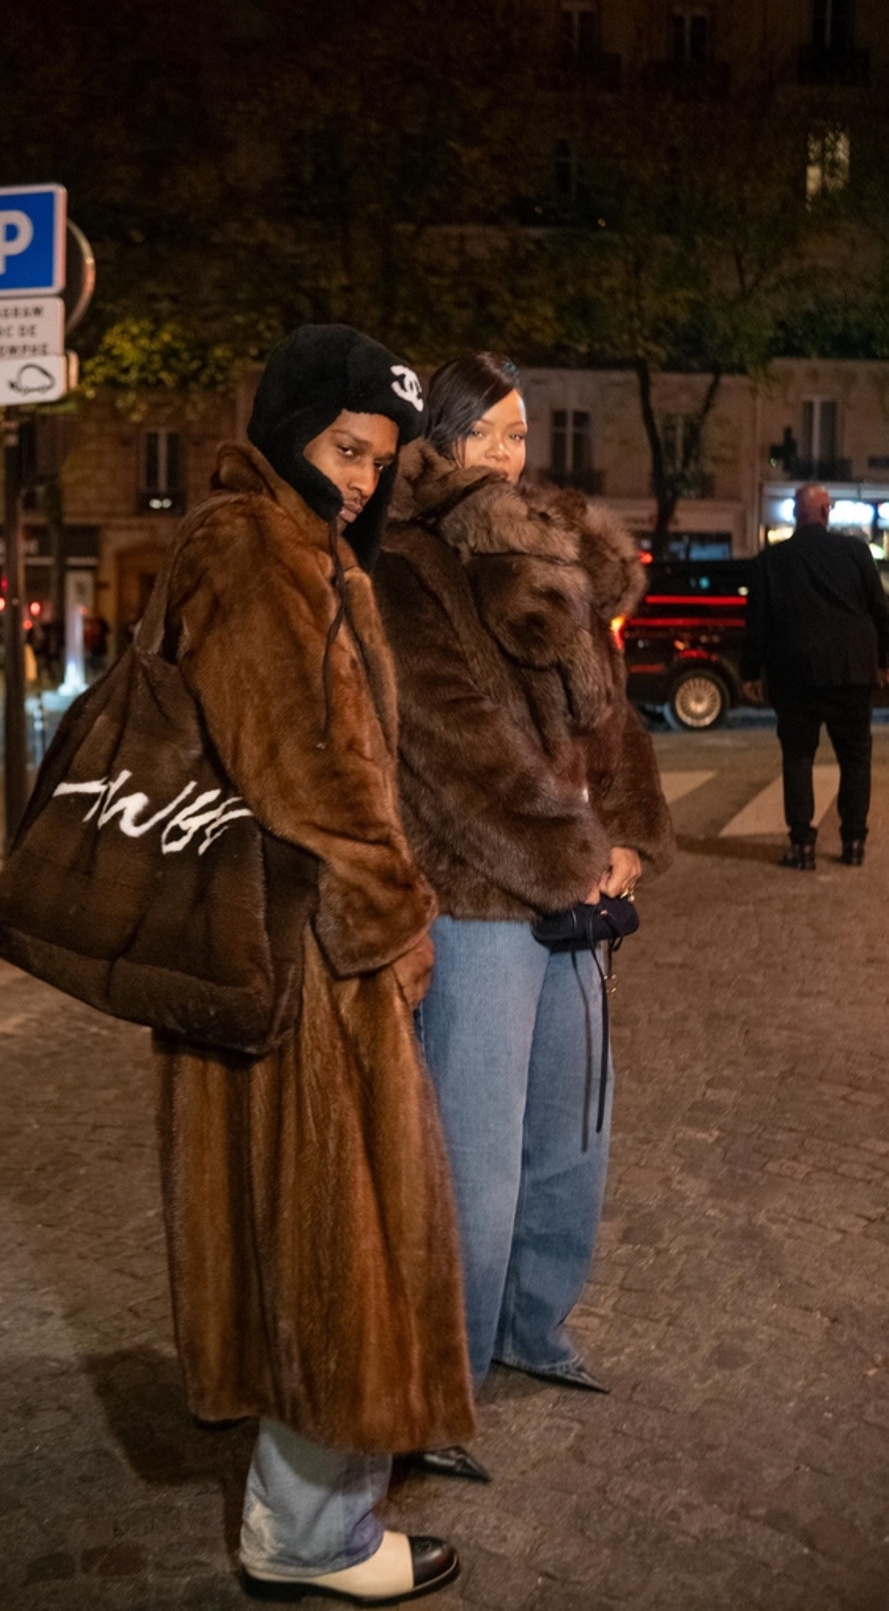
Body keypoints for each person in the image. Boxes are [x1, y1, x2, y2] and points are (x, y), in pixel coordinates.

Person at [153, 326, 475, 1604]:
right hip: (302, 962)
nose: (360, 478)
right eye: (346, 448)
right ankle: (307, 1535)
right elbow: (302, 772)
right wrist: (398, 922)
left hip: (296, 951)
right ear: (288, 425)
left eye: (379, 460)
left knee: (318, 1238)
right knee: (341, 1244)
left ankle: (314, 1512)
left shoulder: (299, 547)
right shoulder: (255, 547)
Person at [373, 353, 674, 1427]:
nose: (513, 455)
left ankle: (532, 1328)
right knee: (476, 1156)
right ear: (440, 443)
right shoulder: (407, 565)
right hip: (478, 903)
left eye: (521, 433)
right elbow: (454, 756)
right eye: (491, 433)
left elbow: (612, 719)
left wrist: (628, 831)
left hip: (575, 889)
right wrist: (575, 857)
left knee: (572, 1134)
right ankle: (442, 1377)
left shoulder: (551, 554)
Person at [741, 482, 889, 869]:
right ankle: (853, 842)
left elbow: (757, 624)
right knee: (855, 758)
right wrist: (883, 661)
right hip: (851, 670)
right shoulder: (856, 553)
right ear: (827, 512)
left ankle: (802, 845)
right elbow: (879, 610)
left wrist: (750, 672)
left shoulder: (771, 561)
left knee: (798, 757)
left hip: (795, 672)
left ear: (795, 513)